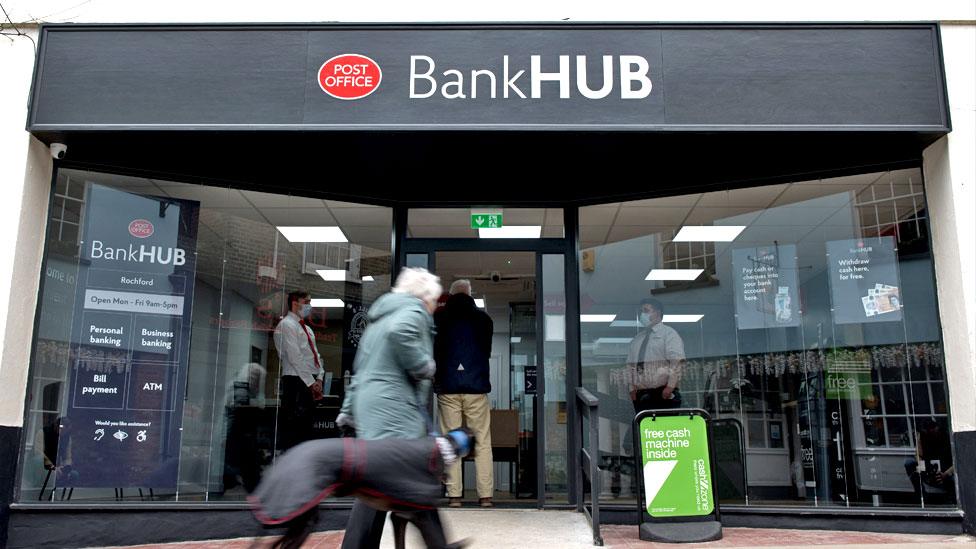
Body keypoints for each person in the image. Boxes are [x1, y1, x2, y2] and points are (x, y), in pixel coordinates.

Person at [337, 267, 454, 549]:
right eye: (434, 301)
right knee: (399, 479)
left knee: (385, 480)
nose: (433, 307)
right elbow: (400, 334)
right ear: (424, 296)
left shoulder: (378, 321)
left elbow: (361, 368)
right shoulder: (412, 312)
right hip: (393, 408)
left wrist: (348, 410)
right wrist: (423, 366)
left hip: (373, 406)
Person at [250, 429, 474, 549]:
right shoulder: (428, 462)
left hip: (329, 455)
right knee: (423, 502)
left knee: (422, 504)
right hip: (321, 462)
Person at [434, 279, 495, 508]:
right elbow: (486, 352)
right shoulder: (484, 320)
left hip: (448, 387)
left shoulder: (438, 318)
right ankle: (486, 496)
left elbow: (434, 351)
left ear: (450, 295)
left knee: (451, 441)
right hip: (476, 387)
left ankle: (454, 496)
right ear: (470, 294)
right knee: (481, 442)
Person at [273, 290, 325, 451]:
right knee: (294, 429)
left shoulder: (307, 329)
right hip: (295, 381)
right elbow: (295, 356)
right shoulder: (287, 325)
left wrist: (320, 377)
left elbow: (315, 355)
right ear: (295, 303)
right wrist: (311, 382)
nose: (309, 306)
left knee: (306, 428)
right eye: (307, 302)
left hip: (309, 381)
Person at [627, 298, 685, 414]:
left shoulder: (669, 334)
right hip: (642, 395)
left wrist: (670, 387)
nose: (641, 314)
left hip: (663, 394)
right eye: (640, 311)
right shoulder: (637, 339)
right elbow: (630, 366)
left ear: (657, 313)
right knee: (645, 429)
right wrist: (632, 389)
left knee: (665, 429)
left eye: (646, 310)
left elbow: (677, 362)